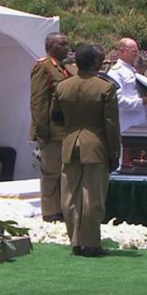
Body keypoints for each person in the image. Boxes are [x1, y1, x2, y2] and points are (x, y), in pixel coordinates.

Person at [51, 45, 120, 257]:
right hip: (96, 145)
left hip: (70, 143)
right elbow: (111, 125)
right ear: (95, 63)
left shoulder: (63, 86)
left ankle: (75, 241)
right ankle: (91, 243)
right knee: (93, 196)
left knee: (70, 196)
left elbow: (56, 116)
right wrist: (114, 153)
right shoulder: (105, 88)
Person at [30, 32, 72, 222]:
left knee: (64, 173)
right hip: (51, 132)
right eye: (61, 44)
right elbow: (38, 101)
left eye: (66, 44)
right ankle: (49, 212)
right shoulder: (43, 67)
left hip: (64, 131)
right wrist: (42, 131)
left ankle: (61, 209)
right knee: (51, 173)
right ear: (50, 47)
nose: (66, 47)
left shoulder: (63, 68)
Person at [108, 38, 147, 133]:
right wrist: (141, 102)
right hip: (127, 125)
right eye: (133, 52)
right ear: (123, 51)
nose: (136, 54)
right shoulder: (116, 72)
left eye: (137, 51)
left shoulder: (131, 70)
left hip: (139, 122)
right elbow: (118, 100)